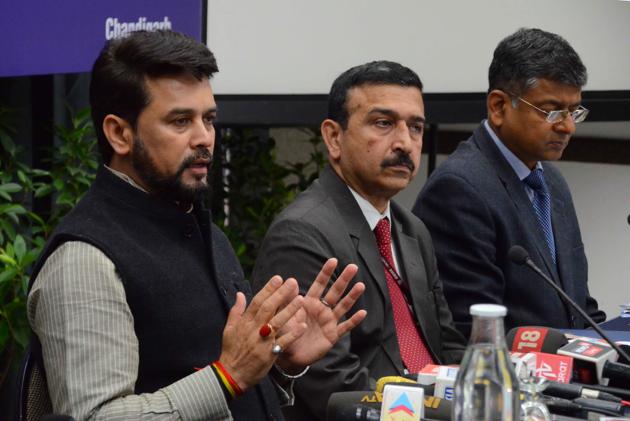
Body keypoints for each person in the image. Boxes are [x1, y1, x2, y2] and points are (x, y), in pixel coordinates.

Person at [26, 30, 367, 421]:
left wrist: (278, 364)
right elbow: (98, 417)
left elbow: (215, 389)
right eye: (180, 121)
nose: (204, 138)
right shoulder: (84, 261)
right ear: (119, 133)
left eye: (208, 119)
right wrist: (228, 376)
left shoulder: (199, 228)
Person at [252, 61, 466, 420]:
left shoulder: (412, 229)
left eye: (415, 127)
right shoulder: (302, 234)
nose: (404, 143)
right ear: (334, 137)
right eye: (383, 124)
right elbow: (329, 384)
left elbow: (446, 342)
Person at [413, 28, 606, 339]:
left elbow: (579, 307)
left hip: (564, 379)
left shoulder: (552, 182)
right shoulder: (458, 189)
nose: (567, 126)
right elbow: (475, 331)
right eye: (552, 110)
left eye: (574, 111)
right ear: (499, 107)